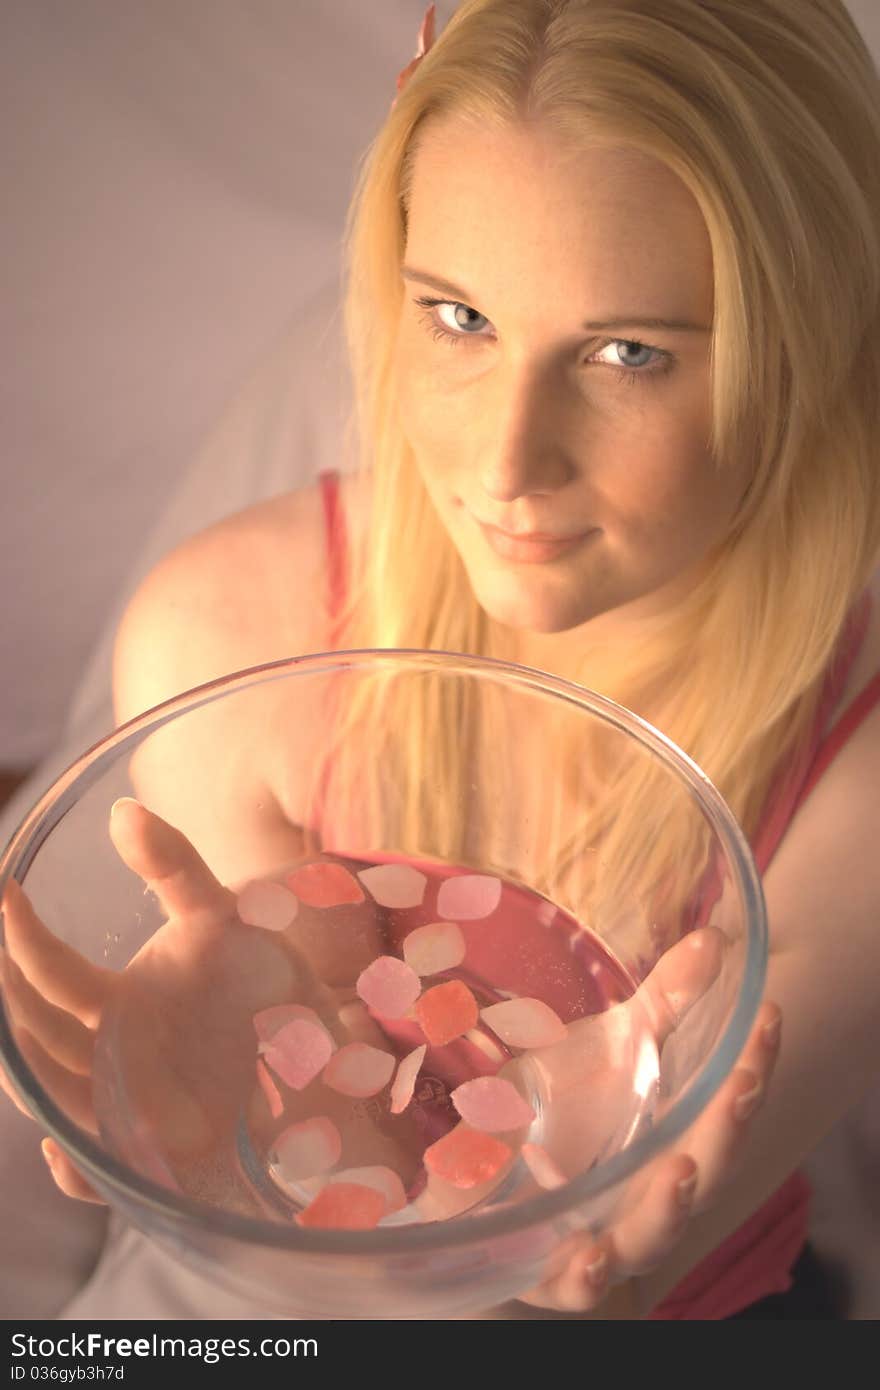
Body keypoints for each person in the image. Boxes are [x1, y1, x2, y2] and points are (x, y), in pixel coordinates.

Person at [3, 0, 880, 1320]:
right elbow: (335, 1193)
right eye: (460, 317)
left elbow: (597, 1263)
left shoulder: (856, 765)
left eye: (628, 352)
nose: (505, 463)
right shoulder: (231, 637)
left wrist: (563, 1191)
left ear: (806, 349)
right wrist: (251, 1125)